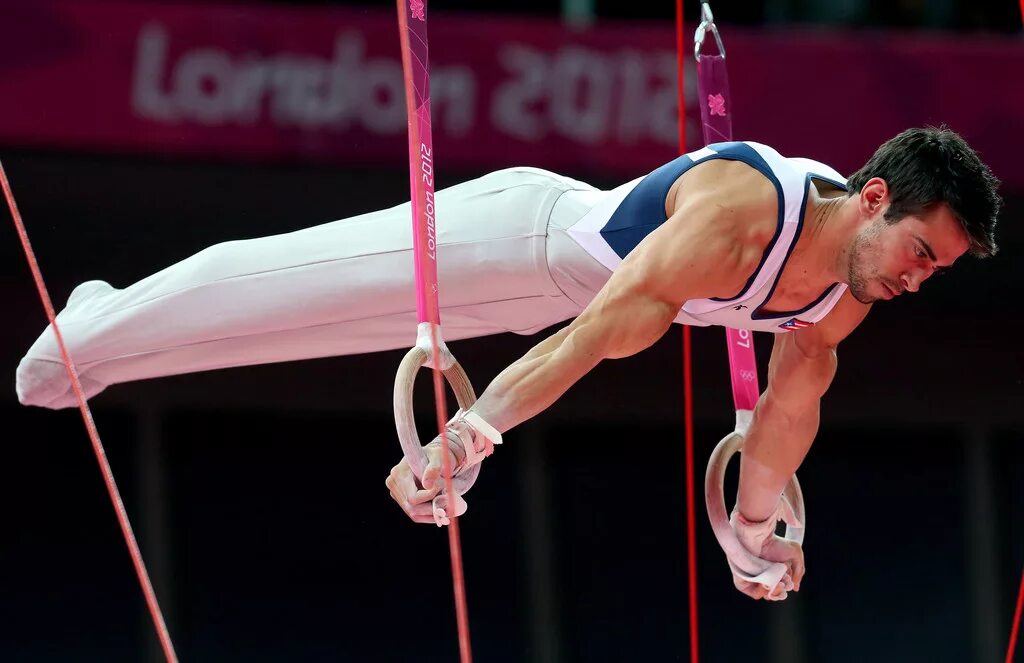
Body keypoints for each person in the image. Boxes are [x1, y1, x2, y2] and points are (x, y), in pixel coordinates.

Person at [18, 127, 1001, 599]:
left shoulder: (844, 294)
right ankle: (98, 320)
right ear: (873, 199)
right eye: (923, 252)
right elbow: (599, 337)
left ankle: (110, 340)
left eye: (938, 271)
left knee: (297, 334)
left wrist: (751, 529)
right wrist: (473, 430)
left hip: (554, 304)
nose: (920, 279)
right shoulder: (741, 214)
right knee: (287, 291)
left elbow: (787, 417)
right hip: (512, 239)